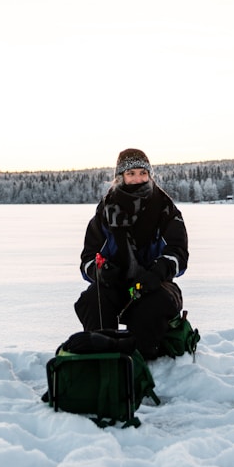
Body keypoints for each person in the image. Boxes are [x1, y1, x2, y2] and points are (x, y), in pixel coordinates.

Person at [74, 148, 189, 360]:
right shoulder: (105, 210)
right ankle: (101, 357)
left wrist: (158, 271)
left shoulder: (165, 208)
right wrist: (101, 271)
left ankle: (141, 358)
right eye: (131, 173)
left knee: (152, 305)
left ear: (150, 175)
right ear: (121, 177)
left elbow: (179, 253)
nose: (138, 179)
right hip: (116, 284)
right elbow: (88, 258)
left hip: (156, 285)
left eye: (142, 173)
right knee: (92, 298)